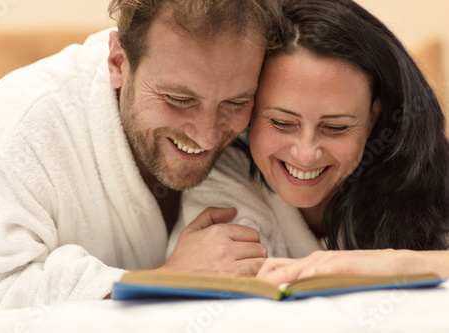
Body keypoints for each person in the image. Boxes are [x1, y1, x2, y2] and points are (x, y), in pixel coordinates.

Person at [0, 0, 282, 311]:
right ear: (118, 62)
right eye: (179, 99)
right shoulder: (19, 125)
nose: (207, 135)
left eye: (235, 103)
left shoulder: (267, 119)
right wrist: (161, 281)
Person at [167, 0, 449, 285]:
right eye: (281, 122)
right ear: (249, 111)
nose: (305, 154)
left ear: (373, 118)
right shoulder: (223, 174)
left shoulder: (422, 176)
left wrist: (395, 263)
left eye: (335, 127)